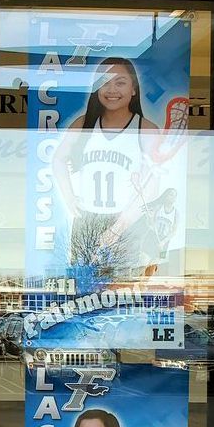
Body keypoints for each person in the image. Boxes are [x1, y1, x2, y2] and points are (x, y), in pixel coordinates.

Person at [53, 57, 162, 280]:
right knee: (83, 293)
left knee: (122, 294)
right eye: (104, 82)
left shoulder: (145, 129)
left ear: (133, 89)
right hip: (87, 220)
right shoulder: (84, 124)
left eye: (120, 82)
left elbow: (153, 183)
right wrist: (70, 199)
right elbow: (58, 159)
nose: (111, 89)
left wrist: (119, 226)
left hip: (126, 222)